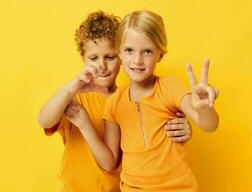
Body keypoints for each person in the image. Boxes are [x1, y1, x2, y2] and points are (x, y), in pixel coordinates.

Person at [38, 10, 193, 192]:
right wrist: (72, 88)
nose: (101, 66)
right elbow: (44, 120)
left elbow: (153, 134)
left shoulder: (128, 100)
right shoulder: (75, 99)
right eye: (93, 58)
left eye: (109, 57)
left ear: (121, 55)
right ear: (84, 59)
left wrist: (184, 128)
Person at [97, 10, 220, 191]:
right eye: (130, 50)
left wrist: (204, 108)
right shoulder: (114, 103)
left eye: (147, 51)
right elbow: (110, 159)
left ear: (160, 55)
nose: (137, 60)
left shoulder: (169, 87)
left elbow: (209, 125)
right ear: (119, 53)